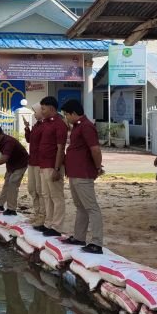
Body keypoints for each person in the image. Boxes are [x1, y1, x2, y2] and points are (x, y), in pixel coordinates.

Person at [61, 99, 105, 254]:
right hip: (74, 172)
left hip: (83, 173)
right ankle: (79, 237)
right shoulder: (77, 127)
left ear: (73, 113)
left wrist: (98, 167)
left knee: (91, 207)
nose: (66, 117)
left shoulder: (86, 126)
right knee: (80, 207)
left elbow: (95, 150)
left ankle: (97, 242)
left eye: (66, 114)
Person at [37, 96, 68, 237]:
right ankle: (48, 223)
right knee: (46, 195)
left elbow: (60, 148)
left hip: (52, 165)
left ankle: (57, 226)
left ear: (51, 108)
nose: (41, 111)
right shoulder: (46, 123)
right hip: (43, 165)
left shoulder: (59, 124)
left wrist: (56, 169)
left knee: (56, 196)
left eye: (43, 108)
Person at [0, 124, 29, 215]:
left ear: (1, 134)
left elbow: (4, 159)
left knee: (13, 183)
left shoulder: (9, 141)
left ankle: (11, 209)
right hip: (11, 164)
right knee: (7, 182)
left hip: (21, 163)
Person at [25, 104, 46, 229]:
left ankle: (43, 216)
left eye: (35, 111)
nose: (34, 114)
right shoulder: (36, 125)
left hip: (40, 163)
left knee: (40, 190)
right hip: (32, 161)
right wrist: (27, 128)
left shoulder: (45, 126)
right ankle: (37, 213)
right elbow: (30, 140)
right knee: (32, 189)